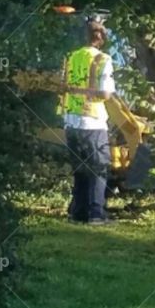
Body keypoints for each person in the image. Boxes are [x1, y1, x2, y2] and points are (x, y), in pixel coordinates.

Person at [60, 19, 116, 225]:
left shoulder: (71, 57)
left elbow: (63, 85)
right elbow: (106, 93)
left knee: (80, 167)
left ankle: (78, 212)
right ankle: (96, 214)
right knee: (99, 168)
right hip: (92, 120)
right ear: (100, 38)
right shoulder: (102, 59)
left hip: (70, 119)